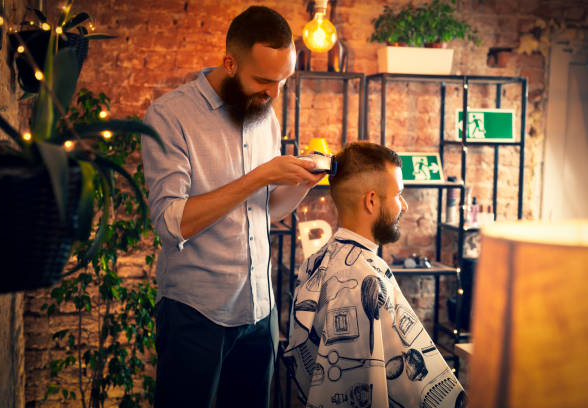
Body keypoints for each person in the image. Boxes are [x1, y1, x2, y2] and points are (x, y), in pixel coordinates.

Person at [140, 6, 324, 408]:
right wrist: (259, 177)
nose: (274, 93)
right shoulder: (169, 117)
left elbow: (263, 211)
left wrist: (302, 185)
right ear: (229, 62)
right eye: (263, 80)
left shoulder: (265, 114)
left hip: (260, 310)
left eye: (283, 81)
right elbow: (171, 224)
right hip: (195, 312)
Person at [284, 142, 466, 408]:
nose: (403, 206)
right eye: (398, 194)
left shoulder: (316, 262)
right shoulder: (365, 279)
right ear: (371, 201)